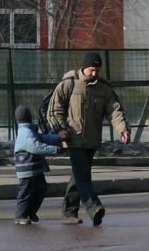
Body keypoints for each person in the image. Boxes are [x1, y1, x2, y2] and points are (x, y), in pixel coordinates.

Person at [44, 49, 130, 226]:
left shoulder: (104, 89)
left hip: (92, 140)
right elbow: (55, 109)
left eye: (97, 70)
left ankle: (69, 211)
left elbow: (114, 110)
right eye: (91, 70)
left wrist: (123, 129)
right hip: (73, 138)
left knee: (79, 175)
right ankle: (94, 208)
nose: (94, 73)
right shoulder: (69, 84)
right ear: (84, 68)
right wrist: (61, 129)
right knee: (83, 175)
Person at [12, 103, 63, 226]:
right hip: (27, 168)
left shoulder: (28, 130)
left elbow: (43, 138)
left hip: (34, 168)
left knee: (41, 188)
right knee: (25, 192)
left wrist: (58, 138)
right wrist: (55, 149)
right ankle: (20, 215)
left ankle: (30, 211)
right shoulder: (26, 133)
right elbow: (36, 146)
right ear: (29, 117)